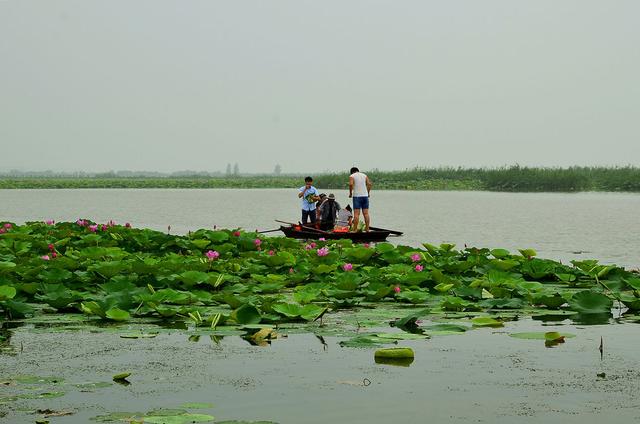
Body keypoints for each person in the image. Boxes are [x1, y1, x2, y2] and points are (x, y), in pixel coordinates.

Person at [349, 166, 372, 231]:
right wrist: (368, 193)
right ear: (357, 170)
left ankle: (355, 229)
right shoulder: (364, 175)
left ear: (352, 172)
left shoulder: (352, 176)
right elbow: (369, 184)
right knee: (366, 213)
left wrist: (350, 193)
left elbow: (350, 184)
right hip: (365, 196)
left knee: (356, 214)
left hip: (357, 197)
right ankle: (367, 229)